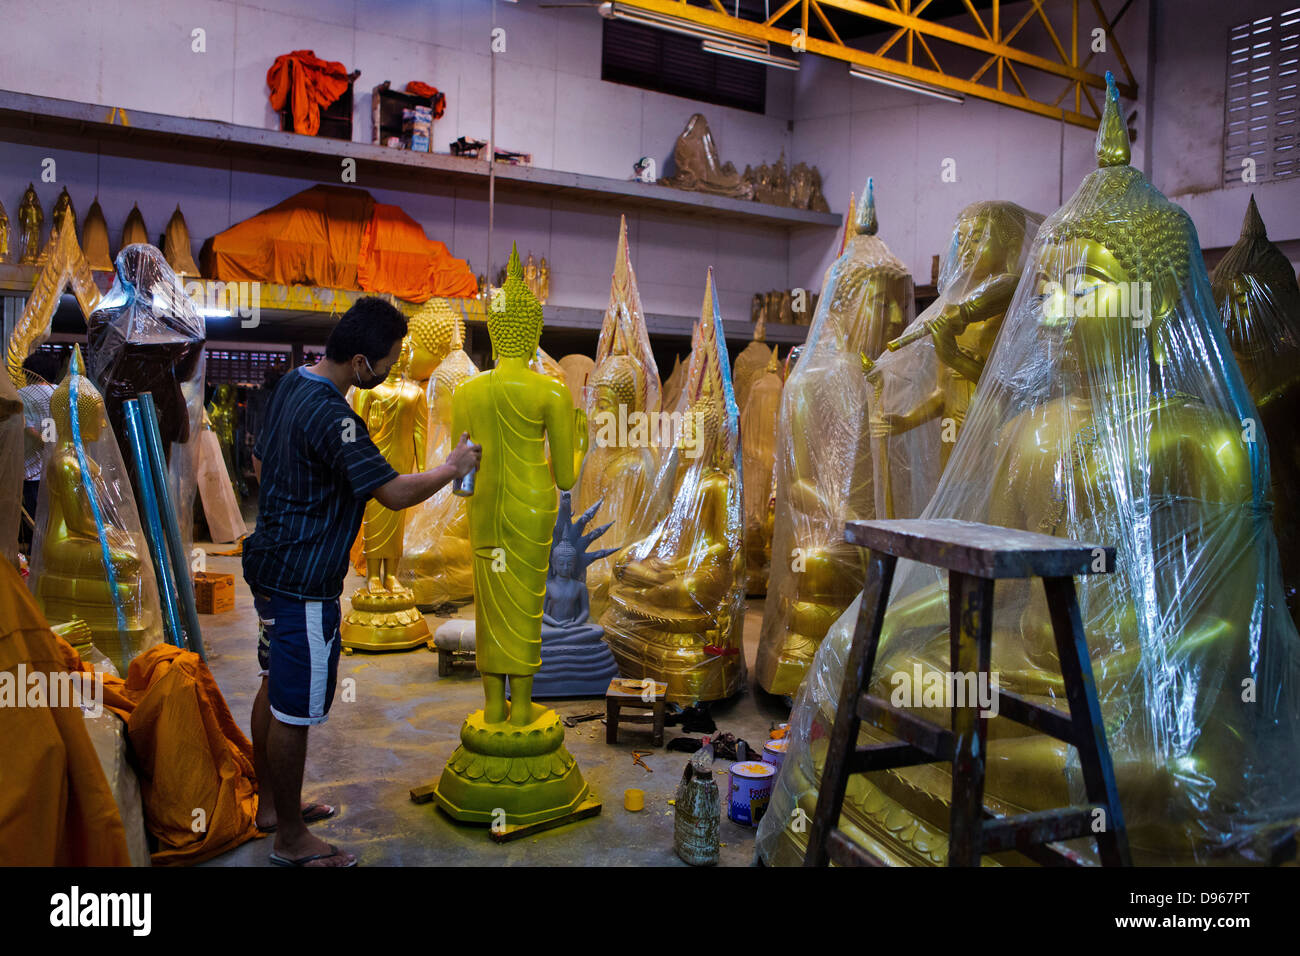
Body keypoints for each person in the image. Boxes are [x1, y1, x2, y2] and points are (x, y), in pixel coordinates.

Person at [243, 297, 480, 867]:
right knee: (295, 705)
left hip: (269, 561)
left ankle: (273, 807)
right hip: (303, 577)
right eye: (390, 360)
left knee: (274, 679)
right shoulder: (336, 416)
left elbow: (259, 463)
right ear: (359, 360)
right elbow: (393, 493)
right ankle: (291, 838)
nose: (395, 369)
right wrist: (452, 467)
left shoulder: (292, 386)